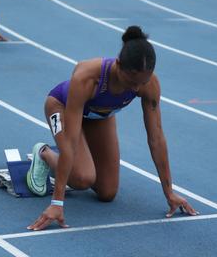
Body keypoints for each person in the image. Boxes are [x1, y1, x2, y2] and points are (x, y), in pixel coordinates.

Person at [26, 26, 199, 231]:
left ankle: (77, 159)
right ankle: (44, 153)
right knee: (83, 178)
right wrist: (57, 203)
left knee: (107, 192)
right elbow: (71, 142)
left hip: (100, 116)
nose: (136, 88)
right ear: (118, 65)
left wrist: (168, 192)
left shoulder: (148, 84)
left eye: (141, 82)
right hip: (62, 107)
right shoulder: (87, 76)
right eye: (131, 81)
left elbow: (156, 138)